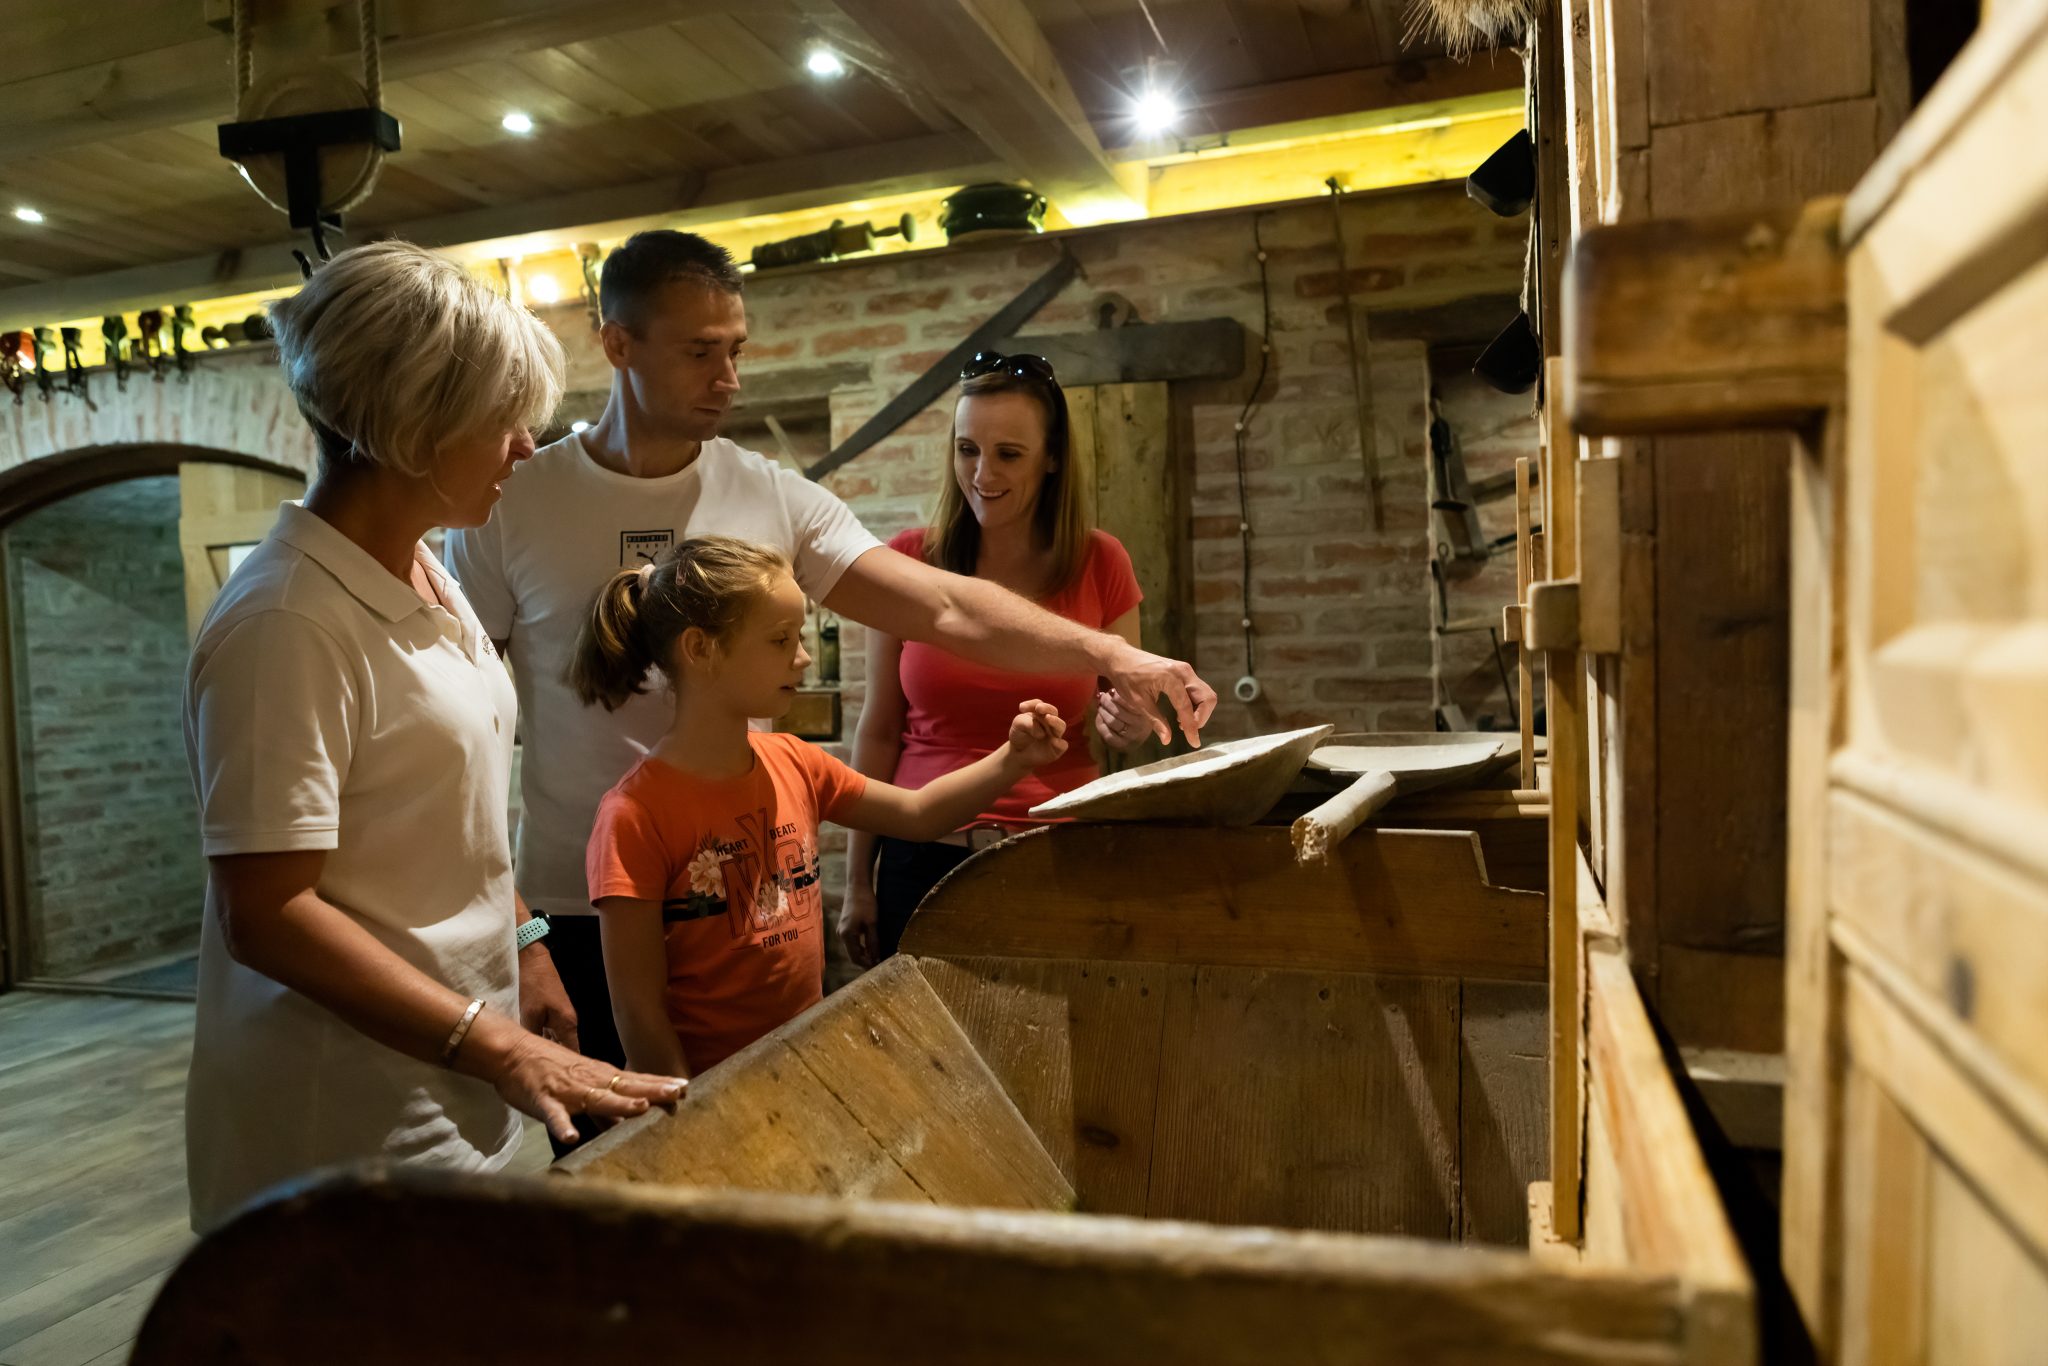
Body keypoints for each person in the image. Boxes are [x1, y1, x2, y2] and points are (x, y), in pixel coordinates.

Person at [445, 231, 1214, 1142]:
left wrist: (1111, 653)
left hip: (749, 906)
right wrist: (523, 934)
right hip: (580, 910)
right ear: (618, 344)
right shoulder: (513, 502)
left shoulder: (771, 496)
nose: (729, 378)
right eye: (700, 352)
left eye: (737, 349)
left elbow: (945, 606)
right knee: (618, 1176)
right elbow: (465, 733)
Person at [182, 241, 682, 1233]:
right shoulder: (286, 621)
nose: (525, 448)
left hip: (450, 1078)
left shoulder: (425, 569)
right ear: (418, 424)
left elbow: (447, 812)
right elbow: (268, 912)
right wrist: (497, 1047)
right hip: (342, 1119)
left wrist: (524, 943)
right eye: (504, 420)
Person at [569, 536, 1068, 1076]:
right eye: (780, 640)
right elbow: (639, 1014)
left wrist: (1013, 759)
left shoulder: (795, 761)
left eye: (800, 636)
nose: (803, 657)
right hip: (708, 1090)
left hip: (804, 1071)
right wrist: (688, 1111)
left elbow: (918, 814)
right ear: (700, 649)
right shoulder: (635, 815)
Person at [837, 352, 1151, 966]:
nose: (982, 474)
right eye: (967, 450)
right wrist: (855, 882)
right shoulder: (908, 561)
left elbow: (1126, 714)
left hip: (1057, 853)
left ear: (1052, 458)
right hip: (921, 854)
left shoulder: (1100, 560)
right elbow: (878, 730)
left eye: (1008, 454)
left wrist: (1132, 724)